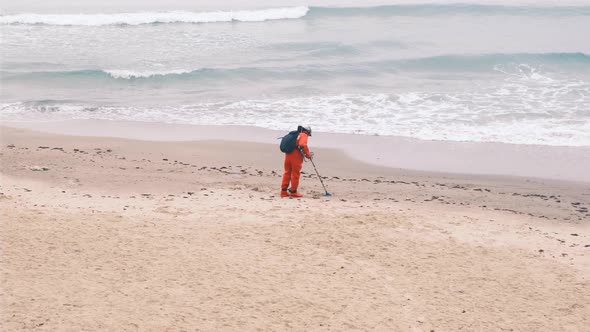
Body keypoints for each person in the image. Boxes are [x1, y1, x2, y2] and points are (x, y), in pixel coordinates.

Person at [281, 125, 312, 198]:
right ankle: (293, 192)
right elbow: (302, 144)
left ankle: (283, 191)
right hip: (295, 156)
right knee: (295, 174)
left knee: (287, 172)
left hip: (288, 155)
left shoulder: (294, 134)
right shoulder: (303, 135)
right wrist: (308, 155)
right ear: (307, 131)